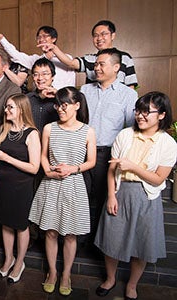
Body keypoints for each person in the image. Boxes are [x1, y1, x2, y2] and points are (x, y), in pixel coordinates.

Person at [94, 92, 177, 300]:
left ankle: (132, 285)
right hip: (121, 192)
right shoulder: (124, 135)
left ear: (161, 115)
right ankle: (110, 279)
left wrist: (133, 166)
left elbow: (158, 179)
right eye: (138, 111)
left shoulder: (168, 143)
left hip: (147, 197)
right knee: (111, 240)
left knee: (142, 244)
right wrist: (112, 196)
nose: (140, 115)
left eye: (147, 111)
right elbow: (112, 170)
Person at [29, 87, 97, 296]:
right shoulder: (49, 128)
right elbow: (42, 155)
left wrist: (73, 168)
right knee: (50, 231)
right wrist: (48, 170)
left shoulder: (88, 131)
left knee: (70, 234)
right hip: (51, 183)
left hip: (74, 185)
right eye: (57, 104)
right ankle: (52, 272)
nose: (59, 109)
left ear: (77, 105)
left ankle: (66, 274)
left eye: (64, 104)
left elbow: (91, 161)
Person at [80, 48, 137, 243]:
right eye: (95, 64)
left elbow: (131, 130)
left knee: (104, 200)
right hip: (83, 152)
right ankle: (77, 240)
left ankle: (98, 243)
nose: (96, 68)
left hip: (108, 155)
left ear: (116, 67)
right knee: (81, 199)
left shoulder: (127, 95)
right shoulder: (85, 90)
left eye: (101, 64)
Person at [0, 94, 41, 283]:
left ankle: (20, 262)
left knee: (21, 226)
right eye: (6, 107)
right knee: (5, 223)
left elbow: (34, 167)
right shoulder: (4, 129)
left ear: (21, 109)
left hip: (21, 187)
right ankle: (8, 259)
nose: (6, 110)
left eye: (10, 107)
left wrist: (8, 158)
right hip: (3, 184)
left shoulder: (32, 134)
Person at [39, 20, 137, 88]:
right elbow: (71, 63)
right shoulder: (90, 59)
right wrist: (54, 48)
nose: (99, 38)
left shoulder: (125, 58)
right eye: (95, 35)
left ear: (113, 35)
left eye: (103, 34)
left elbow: (130, 87)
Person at [0, 26, 76, 89]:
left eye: (45, 36)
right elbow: (16, 55)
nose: (41, 39)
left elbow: (70, 66)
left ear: (53, 39)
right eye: (39, 37)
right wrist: (2, 38)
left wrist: (54, 48)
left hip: (62, 100)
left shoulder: (66, 58)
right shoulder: (35, 60)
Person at [26, 58, 59, 133]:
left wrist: (58, 96)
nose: (40, 78)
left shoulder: (61, 98)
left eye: (45, 74)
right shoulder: (26, 99)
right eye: (36, 74)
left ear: (53, 76)